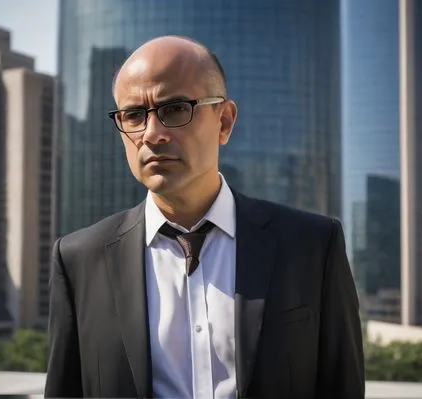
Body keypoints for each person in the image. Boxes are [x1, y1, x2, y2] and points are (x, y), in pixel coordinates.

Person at [44, 36, 365, 399]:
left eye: (176, 109)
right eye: (134, 115)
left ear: (224, 121)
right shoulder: (79, 260)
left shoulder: (311, 246)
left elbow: (343, 386)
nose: (152, 134)